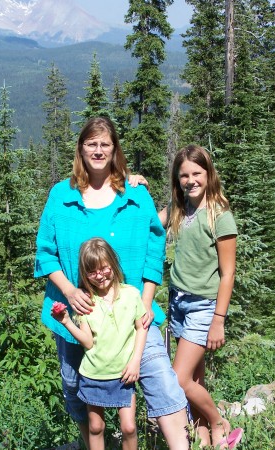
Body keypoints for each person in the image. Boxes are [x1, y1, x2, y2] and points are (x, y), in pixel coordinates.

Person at [34, 116, 188, 450]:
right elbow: (45, 253)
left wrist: (145, 303)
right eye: (92, 143)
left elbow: (153, 249)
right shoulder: (62, 195)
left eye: (106, 144)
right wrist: (70, 290)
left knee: (163, 384)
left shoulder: (134, 194)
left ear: (115, 149)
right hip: (81, 316)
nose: (99, 150)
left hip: (134, 316)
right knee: (77, 392)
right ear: (81, 148)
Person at [159, 145, 239, 449]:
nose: (190, 180)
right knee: (195, 380)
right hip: (179, 303)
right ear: (177, 179)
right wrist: (134, 185)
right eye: (184, 175)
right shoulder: (180, 207)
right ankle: (204, 439)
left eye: (196, 173)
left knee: (179, 380)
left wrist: (218, 320)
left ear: (208, 174)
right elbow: (152, 222)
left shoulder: (219, 215)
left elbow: (228, 273)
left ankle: (219, 421)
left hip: (203, 307)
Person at [52, 237, 147, 450]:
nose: (99, 275)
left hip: (124, 374)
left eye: (104, 268)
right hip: (94, 375)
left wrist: (135, 362)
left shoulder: (131, 294)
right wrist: (66, 321)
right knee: (95, 426)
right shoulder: (87, 303)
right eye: (92, 272)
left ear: (113, 264)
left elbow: (142, 327)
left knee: (129, 427)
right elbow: (87, 341)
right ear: (85, 275)